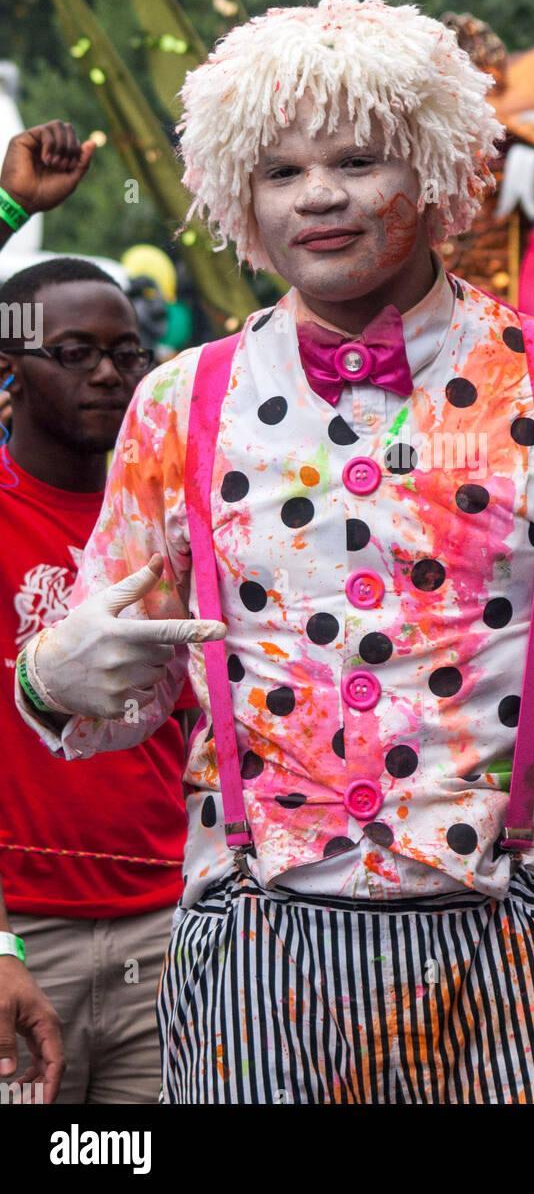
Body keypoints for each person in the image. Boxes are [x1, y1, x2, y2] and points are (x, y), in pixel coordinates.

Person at [11, 2, 534, 1105]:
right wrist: (45, 680)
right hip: (259, 954)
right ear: (239, 196)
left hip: (518, 952)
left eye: (357, 159)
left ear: (437, 169)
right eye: (279, 171)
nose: (317, 194)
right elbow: (126, 690)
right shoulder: (180, 402)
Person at [0, 123, 196, 1104]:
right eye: (74, 352)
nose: (110, 374)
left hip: (168, 930)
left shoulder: (185, 516)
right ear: (10, 367)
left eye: (127, 352)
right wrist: (8, 212)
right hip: (13, 942)